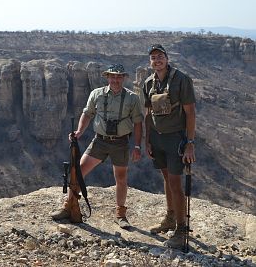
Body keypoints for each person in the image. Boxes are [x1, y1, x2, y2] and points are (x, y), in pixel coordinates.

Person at [51, 64, 143, 229]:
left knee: (121, 179)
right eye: (112, 76)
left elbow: (137, 122)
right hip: (100, 141)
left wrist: (137, 146)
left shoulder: (132, 98)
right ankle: (68, 206)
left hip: (121, 142)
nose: (115, 80)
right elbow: (87, 114)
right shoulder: (97, 94)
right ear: (107, 77)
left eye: (119, 76)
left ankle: (120, 215)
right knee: (78, 171)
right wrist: (79, 131)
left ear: (123, 78)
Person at [143, 44, 196, 249]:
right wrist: (147, 141)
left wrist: (190, 144)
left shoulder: (181, 80)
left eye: (160, 56)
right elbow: (148, 114)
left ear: (167, 58)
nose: (157, 60)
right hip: (157, 139)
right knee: (166, 178)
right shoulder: (148, 83)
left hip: (176, 139)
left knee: (175, 182)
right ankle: (170, 217)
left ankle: (181, 229)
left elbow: (190, 113)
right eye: (153, 58)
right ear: (150, 62)